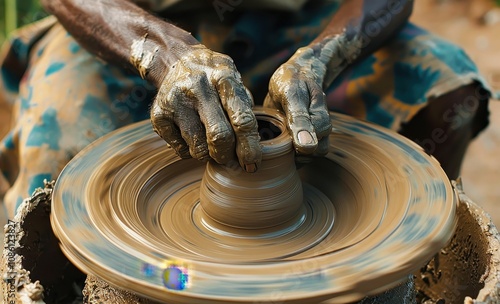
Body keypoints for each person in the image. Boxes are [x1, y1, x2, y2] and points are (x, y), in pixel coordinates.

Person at [0, 0, 493, 218]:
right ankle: (57, 297)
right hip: (134, 22)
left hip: (304, 20)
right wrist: (162, 53)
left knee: (448, 88)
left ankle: (414, 274)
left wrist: (325, 56)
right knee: (57, 157)